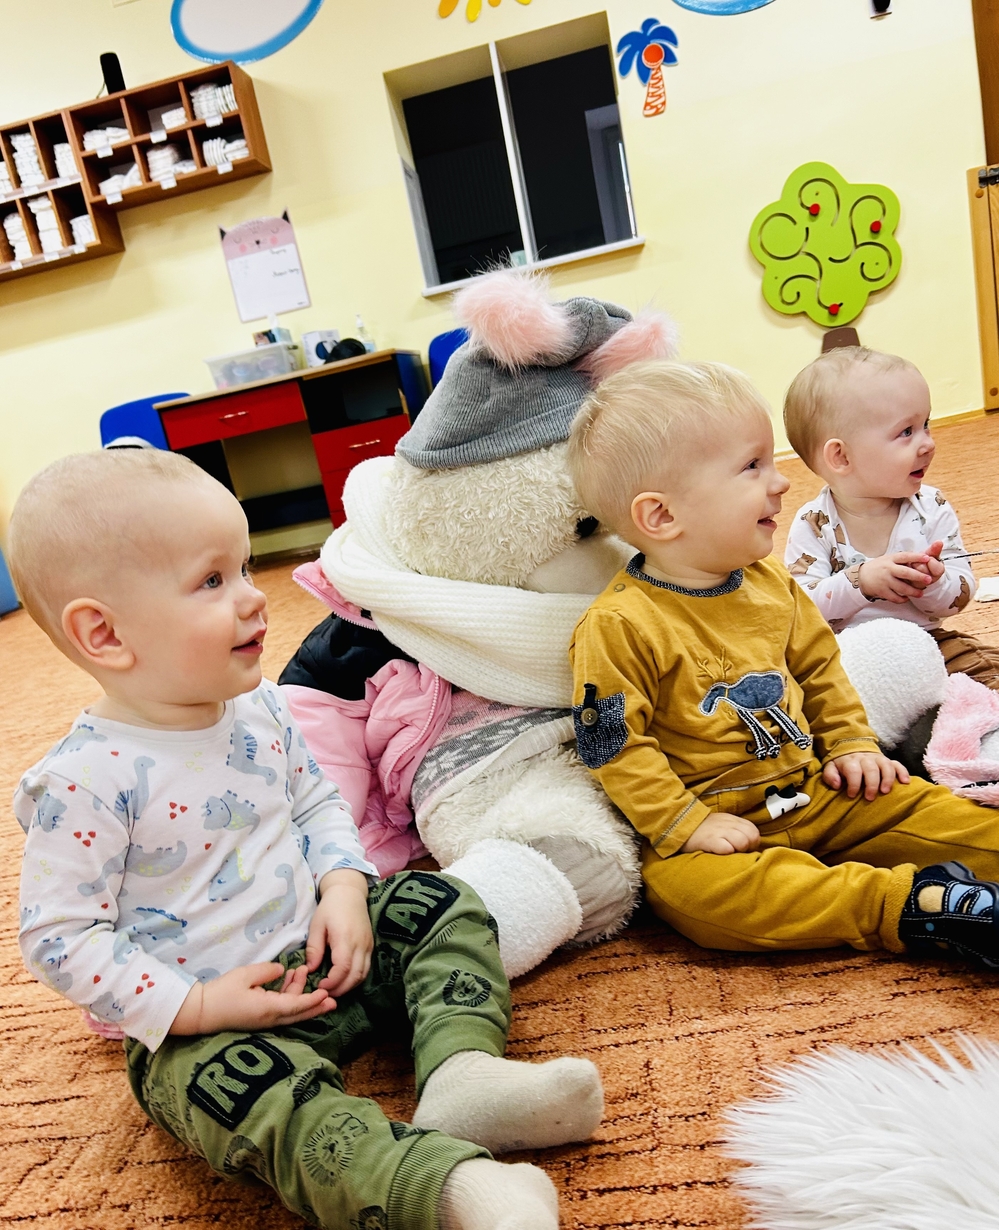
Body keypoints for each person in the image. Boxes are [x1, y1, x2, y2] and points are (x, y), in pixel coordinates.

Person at [9, 449, 605, 1230]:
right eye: (212, 581)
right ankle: (446, 1191)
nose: (255, 596)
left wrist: (345, 889)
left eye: (244, 567)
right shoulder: (83, 782)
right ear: (105, 633)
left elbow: (317, 804)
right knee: (232, 1096)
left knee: (439, 902)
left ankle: (463, 1071)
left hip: (333, 953)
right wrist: (193, 1006)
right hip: (212, 1023)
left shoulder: (261, 705)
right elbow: (58, 937)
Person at [566, 359, 999, 963]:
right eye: (753, 466)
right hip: (713, 823)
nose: (781, 482)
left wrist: (850, 743)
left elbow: (821, 670)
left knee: (938, 812)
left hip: (819, 788)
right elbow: (614, 746)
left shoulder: (772, 584)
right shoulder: (617, 626)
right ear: (662, 516)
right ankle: (912, 906)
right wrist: (683, 823)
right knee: (694, 896)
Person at [782, 345, 999, 686]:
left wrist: (935, 583)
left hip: (927, 643)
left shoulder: (931, 506)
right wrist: (861, 581)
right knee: (797, 695)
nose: (928, 443)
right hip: (845, 657)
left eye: (925, 425)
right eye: (906, 432)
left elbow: (959, 595)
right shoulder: (814, 522)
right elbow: (801, 610)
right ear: (841, 457)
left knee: (985, 669)